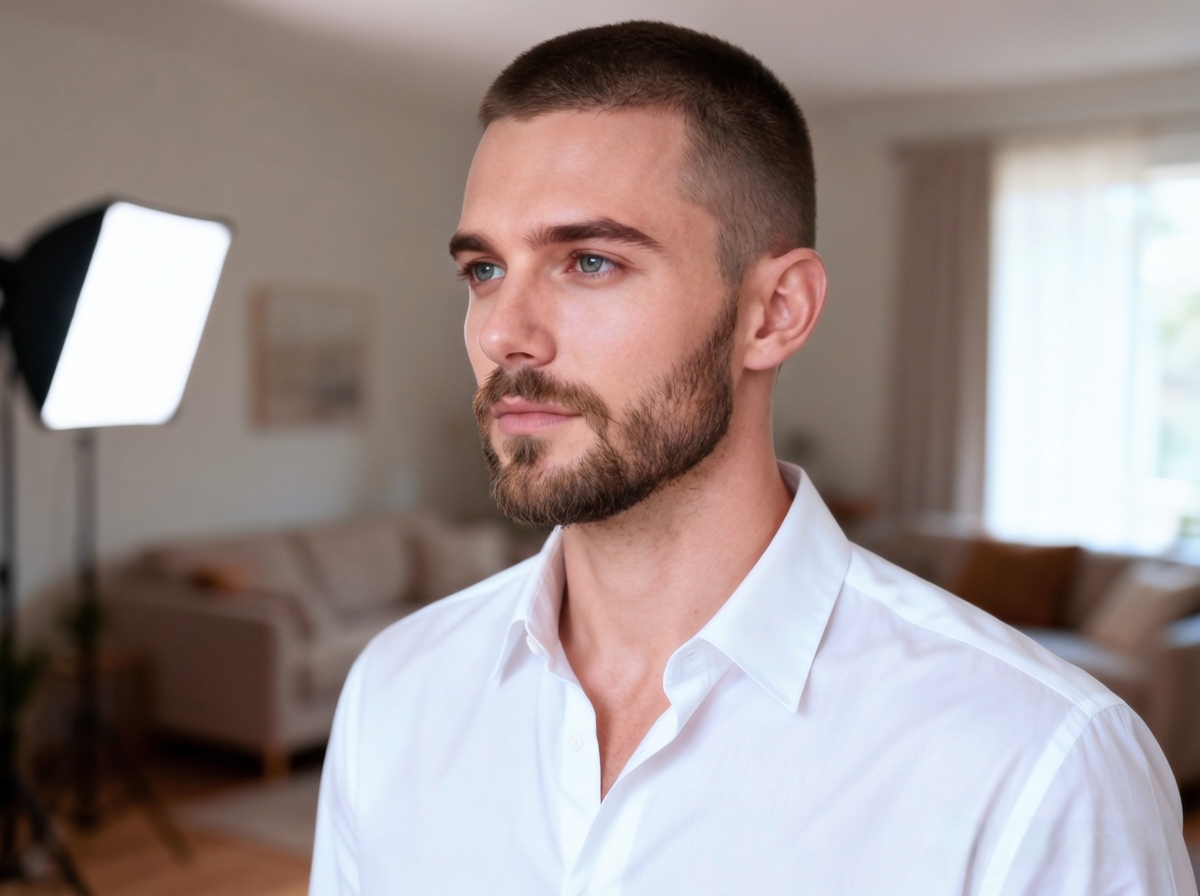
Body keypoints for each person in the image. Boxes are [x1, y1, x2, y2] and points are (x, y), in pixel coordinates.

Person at [310, 21, 1195, 896]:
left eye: (588, 260)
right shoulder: (397, 691)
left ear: (775, 312)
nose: (504, 334)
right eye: (485, 271)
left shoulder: (1041, 765)